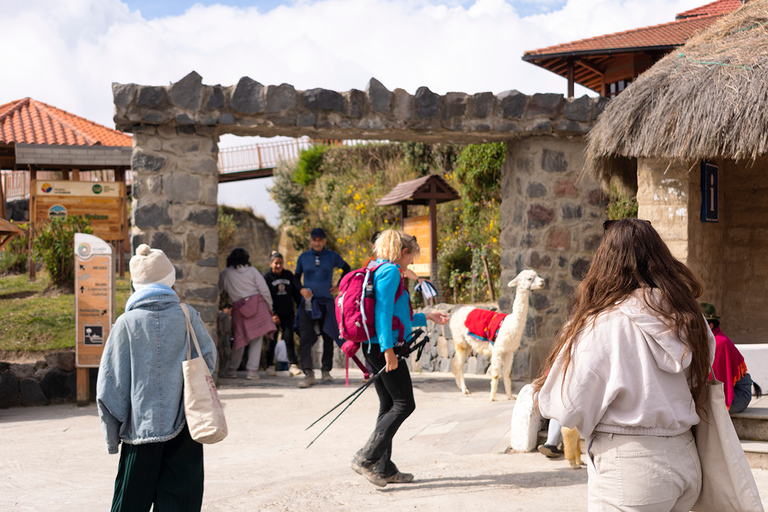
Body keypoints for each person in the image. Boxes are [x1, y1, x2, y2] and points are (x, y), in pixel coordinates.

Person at [535, 218, 714, 512]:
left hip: (630, 466)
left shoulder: (603, 323)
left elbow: (567, 407)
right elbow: (700, 376)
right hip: (685, 457)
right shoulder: (690, 317)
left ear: (606, 262)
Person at [97, 244, 216, 512]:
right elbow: (209, 362)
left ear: (136, 284)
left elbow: (108, 387)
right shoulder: (188, 316)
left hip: (140, 433)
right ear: (169, 280)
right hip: (187, 428)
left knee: (129, 506)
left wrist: (112, 436)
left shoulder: (125, 324)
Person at [351, 229, 449, 487]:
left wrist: (427, 316)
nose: (412, 263)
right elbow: (382, 314)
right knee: (405, 404)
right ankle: (366, 458)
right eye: (412, 257)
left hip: (373, 346)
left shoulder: (376, 267)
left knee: (388, 405)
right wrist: (388, 350)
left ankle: (384, 468)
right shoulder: (392, 272)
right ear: (403, 252)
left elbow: (397, 315)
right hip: (384, 348)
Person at [294, 228, 351, 388]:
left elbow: (347, 269)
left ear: (324, 241)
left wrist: (340, 285)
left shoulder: (332, 256)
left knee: (328, 335)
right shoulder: (303, 257)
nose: (317, 242)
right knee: (305, 337)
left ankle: (326, 370)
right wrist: (301, 289)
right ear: (310, 241)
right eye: (314, 239)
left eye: (320, 239)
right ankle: (308, 374)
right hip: (309, 303)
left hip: (327, 301)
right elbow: (295, 278)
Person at [219, 247, 276, 380]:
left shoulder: (226, 273)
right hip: (258, 306)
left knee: (239, 339)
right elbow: (264, 290)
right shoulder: (252, 271)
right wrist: (270, 306)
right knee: (256, 339)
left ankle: (232, 369)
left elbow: (219, 290)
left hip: (239, 309)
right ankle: (252, 371)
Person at [700, 302, 761, 414]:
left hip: (738, 394)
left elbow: (716, 380)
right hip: (729, 389)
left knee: (707, 408)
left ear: (710, 325)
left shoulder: (719, 343)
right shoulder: (707, 341)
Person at [263, 251, 302, 377]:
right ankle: (269, 366)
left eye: (280, 263)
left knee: (289, 338)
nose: (278, 265)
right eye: (276, 263)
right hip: (272, 314)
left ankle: (293, 365)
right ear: (270, 263)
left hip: (287, 313)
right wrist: (272, 314)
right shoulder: (266, 277)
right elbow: (264, 297)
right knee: (271, 340)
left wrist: (300, 307)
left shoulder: (288, 275)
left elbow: (296, 294)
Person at [215, 302, 233, 384]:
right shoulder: (223, 315)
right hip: (223, 337)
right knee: (224, 353)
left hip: (224, 337)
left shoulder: (225, 316)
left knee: (225, 354)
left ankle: (223, 370)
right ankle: (222, 371)